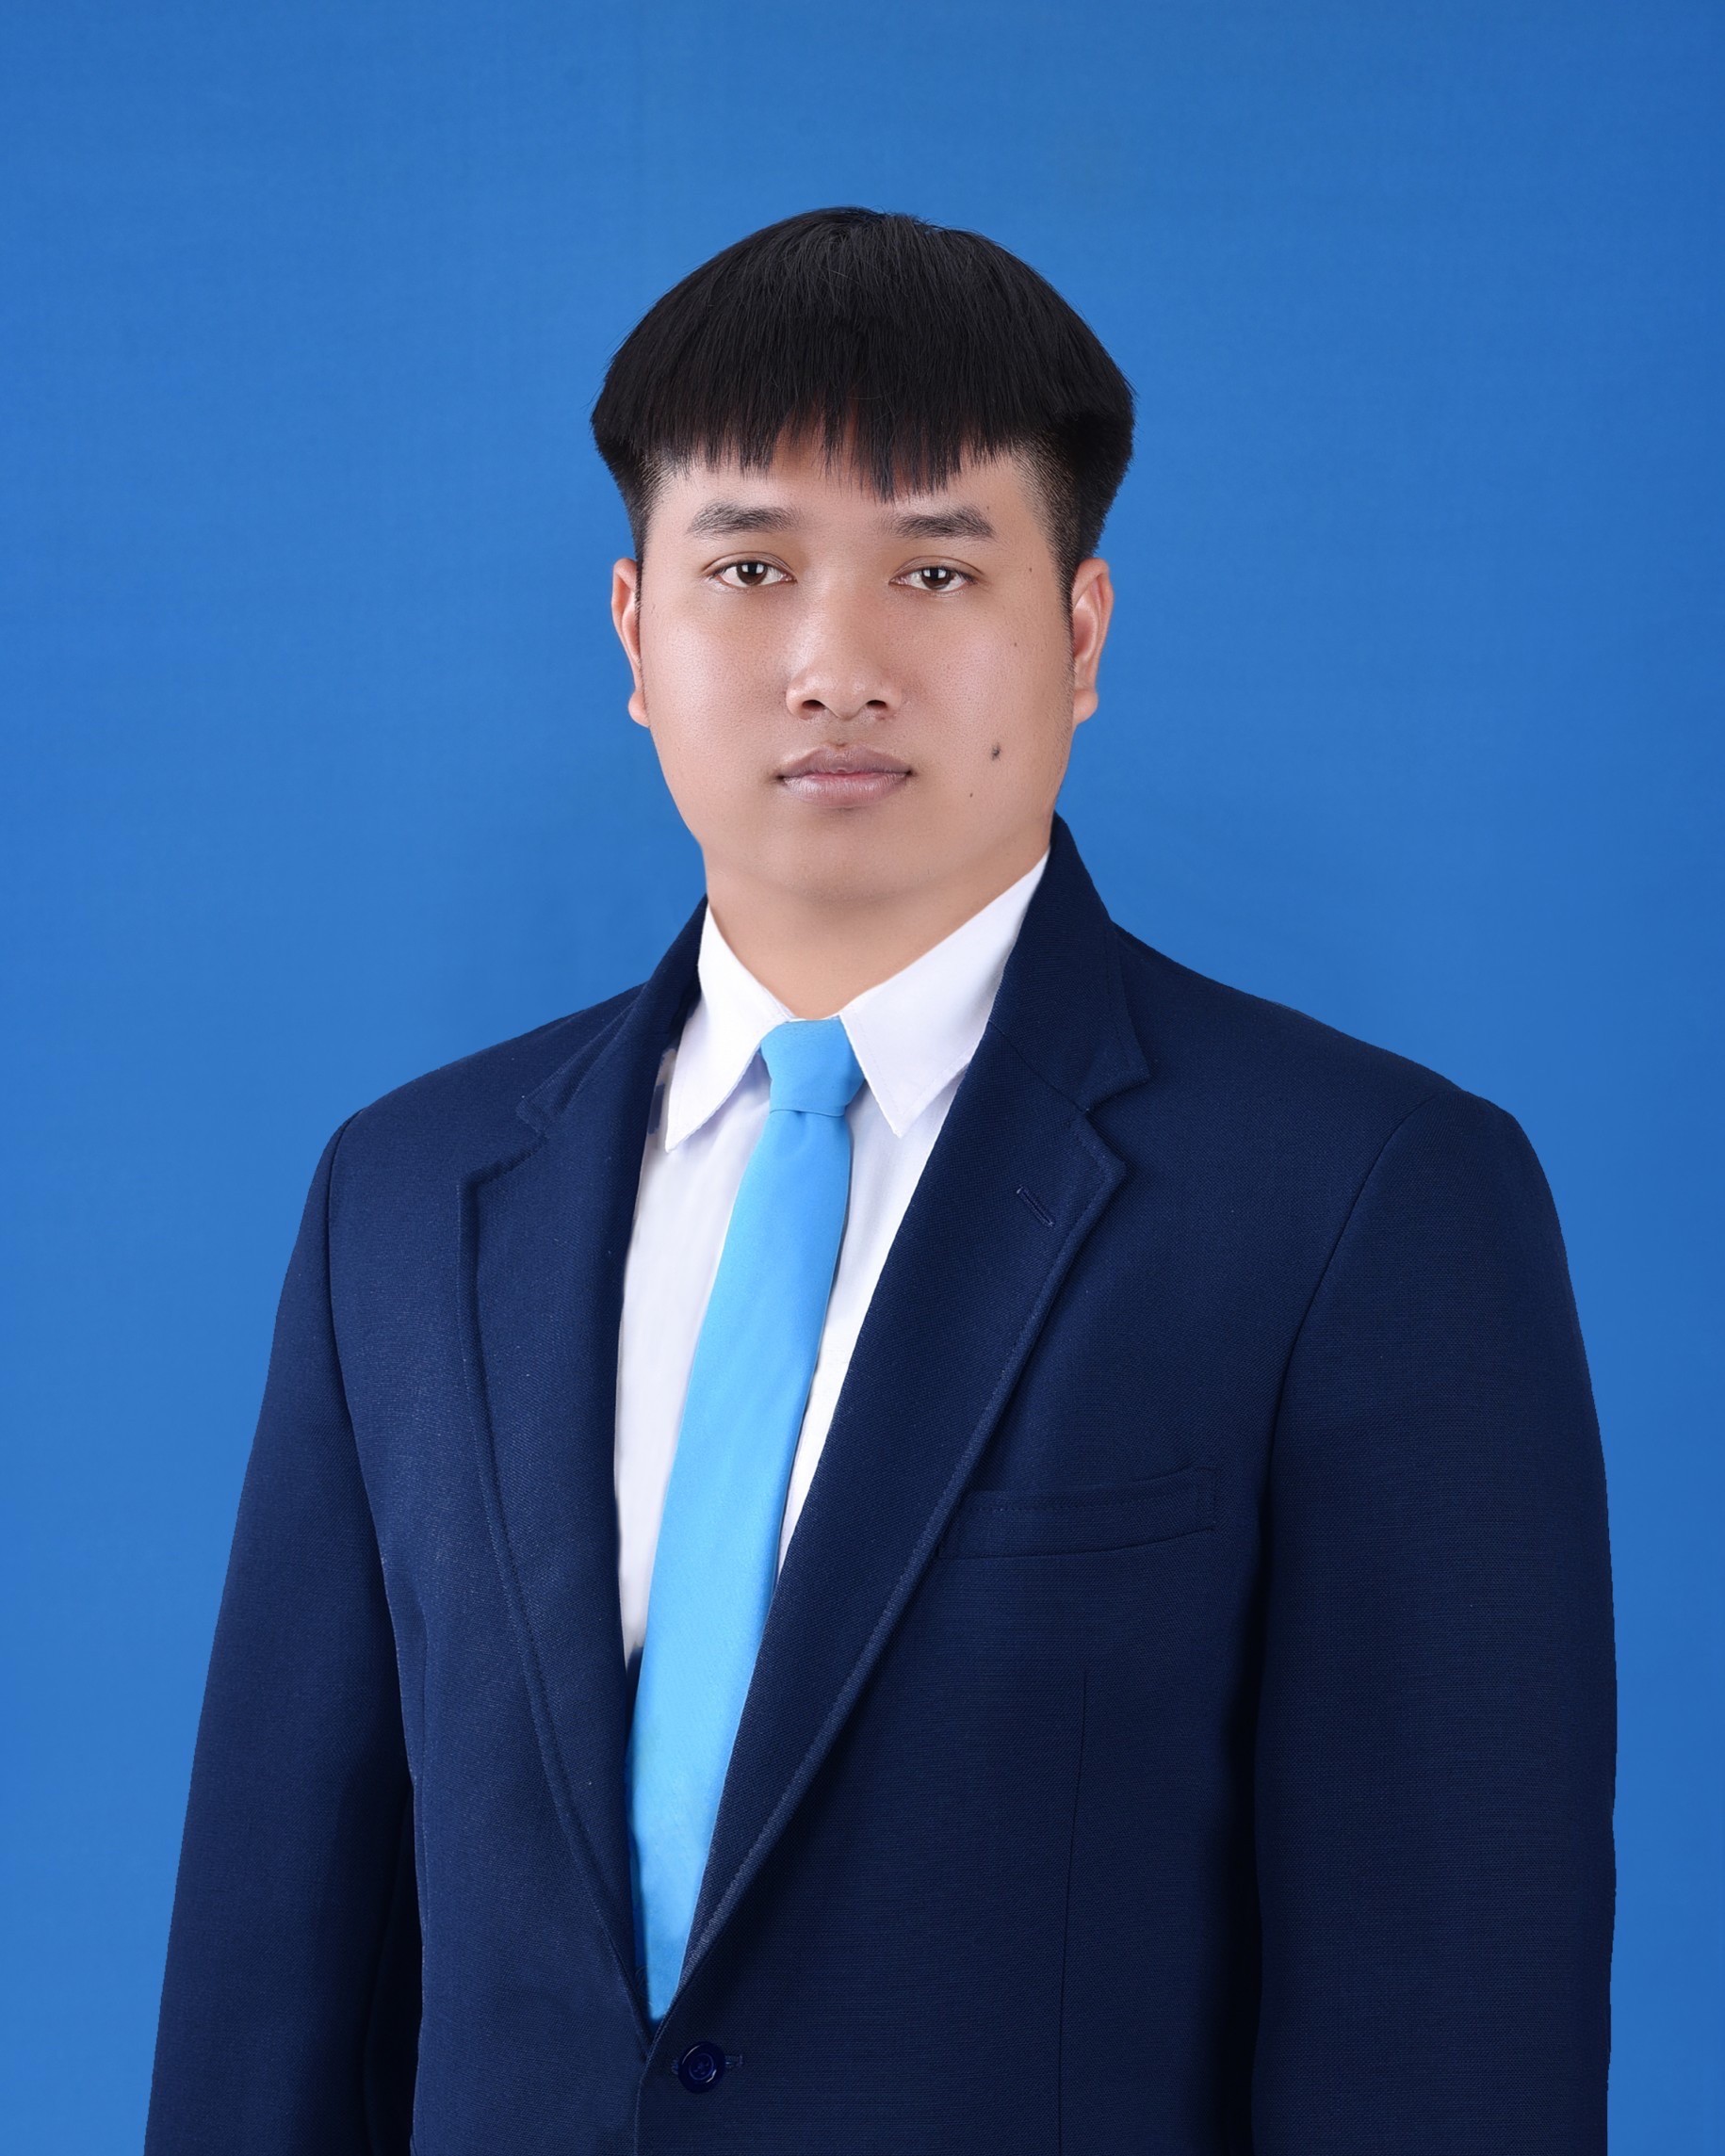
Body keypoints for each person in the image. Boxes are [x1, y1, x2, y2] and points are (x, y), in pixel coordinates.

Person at [143, 207, 1616, 2155]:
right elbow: (275, 1990)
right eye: (749, 567)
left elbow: (1449, 2032)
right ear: (634, 632)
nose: (835, 666)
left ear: (1079, 633)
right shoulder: (405, 1202)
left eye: (935, 567)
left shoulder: (1364, 1201)